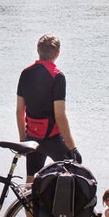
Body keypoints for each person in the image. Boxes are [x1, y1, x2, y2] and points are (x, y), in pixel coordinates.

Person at [16, 34, 79, 186]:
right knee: (76, 173)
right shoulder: (57, 76)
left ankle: (30, 209)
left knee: (30, 184)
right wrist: (72, 146)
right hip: (53, 139)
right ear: (57, 54)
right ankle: (66, 208)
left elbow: (19, 110)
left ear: (38, 50)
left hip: (32, 138)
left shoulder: (25, 73)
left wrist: (23, 140)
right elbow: (60, 115)